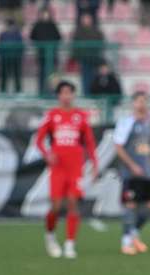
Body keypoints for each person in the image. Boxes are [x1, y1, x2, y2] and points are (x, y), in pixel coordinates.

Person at [36, 81, 99, 259]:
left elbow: (90, 142)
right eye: (63, 93)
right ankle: (50, 235)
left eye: (69, 92)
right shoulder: (51, 116)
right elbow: (39, 141)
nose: (66, 96)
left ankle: (70, 244)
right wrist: (47, 154)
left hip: (75, 166)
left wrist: (94, 164)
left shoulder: (81, 116)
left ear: (73, 95)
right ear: (58, 96)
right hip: (58, 168)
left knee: (73, 202)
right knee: (56, 206)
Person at [114, 91, 150, 255]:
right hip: (130, 173)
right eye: (139, 101)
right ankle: (126, 241)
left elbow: (146, 148)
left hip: (145, 173)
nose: (142, 104)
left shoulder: (147, 124)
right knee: (130, 205)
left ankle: (134, 234)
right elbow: (118, 147)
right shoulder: (127, 123)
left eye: (145, 101)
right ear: (133, 104)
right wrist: (132, 166)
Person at [30, 7, 62, 96]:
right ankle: (41, 92)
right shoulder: (37, 25)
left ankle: (53, 92)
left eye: (46, 13)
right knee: (42, 74)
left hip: (52, 55)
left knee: (53, 75)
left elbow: (58, 37)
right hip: (41, 55)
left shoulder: (53, 25)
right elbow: (32, 37)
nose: (45, 15)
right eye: (43, 13)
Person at [72, 13, 105, 95]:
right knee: (85, 77)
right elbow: (75, 45)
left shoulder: (96, 30)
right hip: (84, 58)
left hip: (94, 57)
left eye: (88, 19)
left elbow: (101, 41)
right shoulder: (78, 32)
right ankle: (86, 93)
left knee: (95, 77)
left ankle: (94, 94)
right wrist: (77, 57)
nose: (86, 21)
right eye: (85, 19)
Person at [0, 19, 24, 94]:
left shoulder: (17, 34)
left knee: (17, 75)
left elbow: (21, 45)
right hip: (5, 58)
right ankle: (3, 90)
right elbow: (0, 45)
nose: (10, 27)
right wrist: (2, 56)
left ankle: (18, 91)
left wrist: (19, 55)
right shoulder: (3, 34)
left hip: (15, 58)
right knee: (4, 75)